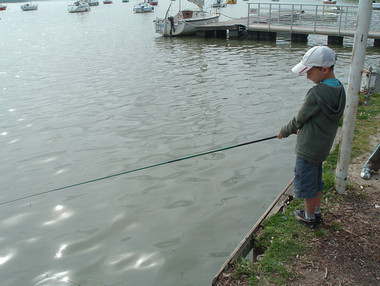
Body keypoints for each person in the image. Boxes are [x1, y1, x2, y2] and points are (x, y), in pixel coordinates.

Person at [278, 45, 346, 227]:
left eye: (309, 72)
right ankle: (316, 212)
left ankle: (309, 218)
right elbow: (320, 117)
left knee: (307, 184)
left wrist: (284, 131)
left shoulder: (316, 93)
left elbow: (299, 118)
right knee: (316, 181)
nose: (307, 77)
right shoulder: (339, 90)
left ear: (324, 69)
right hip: (322, 146)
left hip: (308, 148)